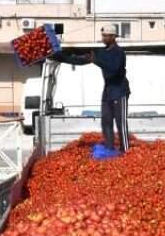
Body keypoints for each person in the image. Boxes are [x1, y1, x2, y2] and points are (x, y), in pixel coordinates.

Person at [52, 24, 130, 152]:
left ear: (113, 37)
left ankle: (125, 150)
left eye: (106, 36)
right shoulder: (101, 52)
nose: (103, 38)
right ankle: (109, 148)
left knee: (120, 123)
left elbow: (115, 69)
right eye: (103, 36)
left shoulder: (119, 53)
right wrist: (59, 57)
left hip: (119, 90)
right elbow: (80, 60)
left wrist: (96, 61)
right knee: (106, 121)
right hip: (108, 91)